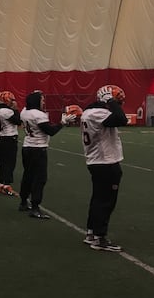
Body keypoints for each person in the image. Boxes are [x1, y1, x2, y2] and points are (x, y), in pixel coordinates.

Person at [81, 85, 128, 252]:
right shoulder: (99, 113)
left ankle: (91, 232)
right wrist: (110, 101)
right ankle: (100, 238)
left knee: (98, 198)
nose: (118, 104)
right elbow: (122, 119)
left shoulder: (89, 112)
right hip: (105, 162)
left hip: (97, 161)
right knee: (106, 201)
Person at [18, 90, 72, 219]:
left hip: (27, 147)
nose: (43, 102)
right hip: (38, 148)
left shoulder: (24, 112)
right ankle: (35, 207)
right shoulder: (39, 115)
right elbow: (50, 131)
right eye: (41, 100)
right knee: (39, 179)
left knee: (27, 176)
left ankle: (23, 202)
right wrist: (62, 123)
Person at [0, 91, 21, 196]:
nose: (13, 102)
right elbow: (18, 121)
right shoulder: (7, 111)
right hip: (9, 138)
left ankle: (0, 184)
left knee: (3, 162)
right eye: (12, 100)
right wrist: (15, 109)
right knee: (10, 163)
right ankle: (7, 185)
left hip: (2, 137)